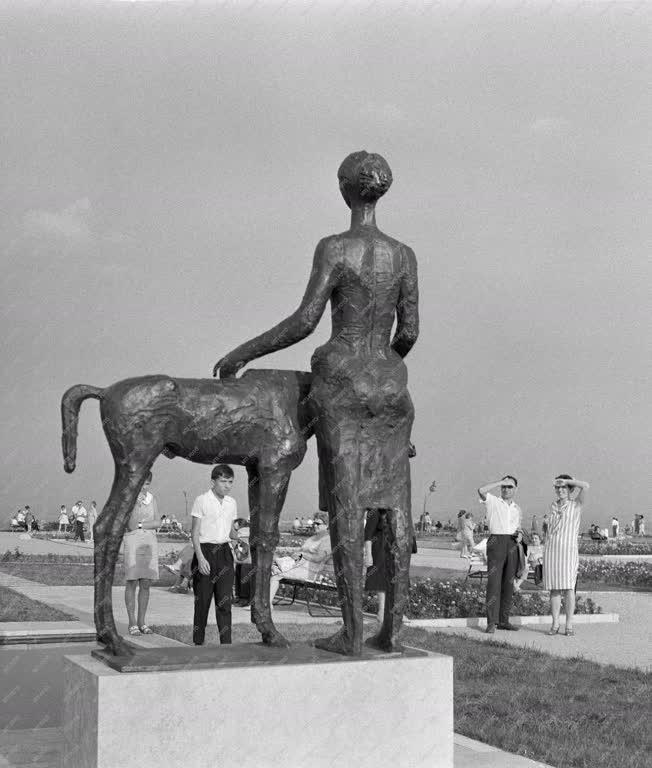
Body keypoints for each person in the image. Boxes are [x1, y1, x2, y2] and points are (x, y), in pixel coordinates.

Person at [213, 151, 418, 655]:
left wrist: (244, 352)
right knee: (395, 502)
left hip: (343, 378)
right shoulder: (404, 255)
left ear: (345, 190)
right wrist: (385, 369)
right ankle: (392, 628)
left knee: (346, 502)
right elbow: (409, 331)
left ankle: (351, 631)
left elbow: (305, 321)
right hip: (391, 383)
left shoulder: (335, 248)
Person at [190, 464, 239, 646]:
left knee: (225, 603)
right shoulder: (201, 500)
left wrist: (242, 539)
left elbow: (231, 532)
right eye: (223, 481)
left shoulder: (231, 503)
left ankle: (226, 645)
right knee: (202, 603)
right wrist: (201, 558)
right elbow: (194, 532)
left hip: (225, 553)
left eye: (230, 482)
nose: (227, 485)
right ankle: (198, 643)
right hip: (205, 552)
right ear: (213, 481)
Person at [544, 475, 590, 636]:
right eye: (557, 487)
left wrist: (568, 482)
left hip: (568, 551)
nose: (560, 490)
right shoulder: (553, 506)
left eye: (563, 487)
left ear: (570, 489)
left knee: (569, 587)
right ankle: (555, 623)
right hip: (552, 550)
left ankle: (569, 624)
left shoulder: (576, 504)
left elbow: (585, 485)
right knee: (554, 589)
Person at [477, 475, 522, 633]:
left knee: (508, 584)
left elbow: (517, 526)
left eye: (510, 486)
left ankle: (504, 620)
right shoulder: (493, 501)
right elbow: (481, 490)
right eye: (504, 486)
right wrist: (499, 482)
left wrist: (520, 534)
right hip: (496, 541)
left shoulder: (517, 508)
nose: (506, 489)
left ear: (515, 489)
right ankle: (491, 621)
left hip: (512, 543)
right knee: (494, 583)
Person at [123, 472, 159, 635]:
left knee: (145, 582)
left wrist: (141, 524)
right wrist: (137, 506)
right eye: (141, 484)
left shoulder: (153, 499)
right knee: (132, 581)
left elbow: (158, 522)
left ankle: (142, 621)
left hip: (149, 543)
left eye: (146, 484)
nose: (143, 488)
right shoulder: (128, 499)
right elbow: (130, 524)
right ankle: (132, 623)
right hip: (133, 542)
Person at [270, 525, 333, 603]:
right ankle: (262, 603)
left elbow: (318, 559)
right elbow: (300, 552)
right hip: (300, 566)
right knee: (270, 569)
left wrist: (303, 555)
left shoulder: (327, 540)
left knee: (276, 575)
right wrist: (296, 555)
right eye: (314, 523)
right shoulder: (313, 539)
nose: (315, 525)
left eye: (318, 523)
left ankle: (266, 604)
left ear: (326, 525)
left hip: (312, 571)